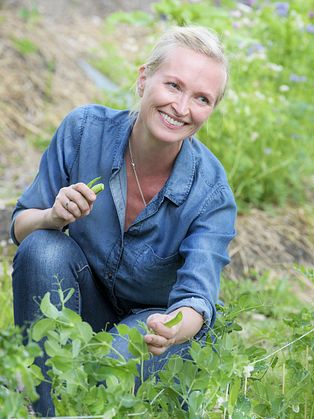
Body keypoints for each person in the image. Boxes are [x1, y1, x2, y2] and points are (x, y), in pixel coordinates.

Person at [9, 26, 237, 415]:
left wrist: (174, 329)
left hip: (154, 329)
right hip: (83, 301)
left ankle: (86, 394)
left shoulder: (211, 192)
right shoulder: (83, 131)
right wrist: (52, 215)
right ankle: (40, 405)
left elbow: (197, 300)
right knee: (42, 247)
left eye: (201, 98)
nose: (182, 108)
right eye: (173, 86)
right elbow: (19, 227)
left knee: (104, 370)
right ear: (144, 78)